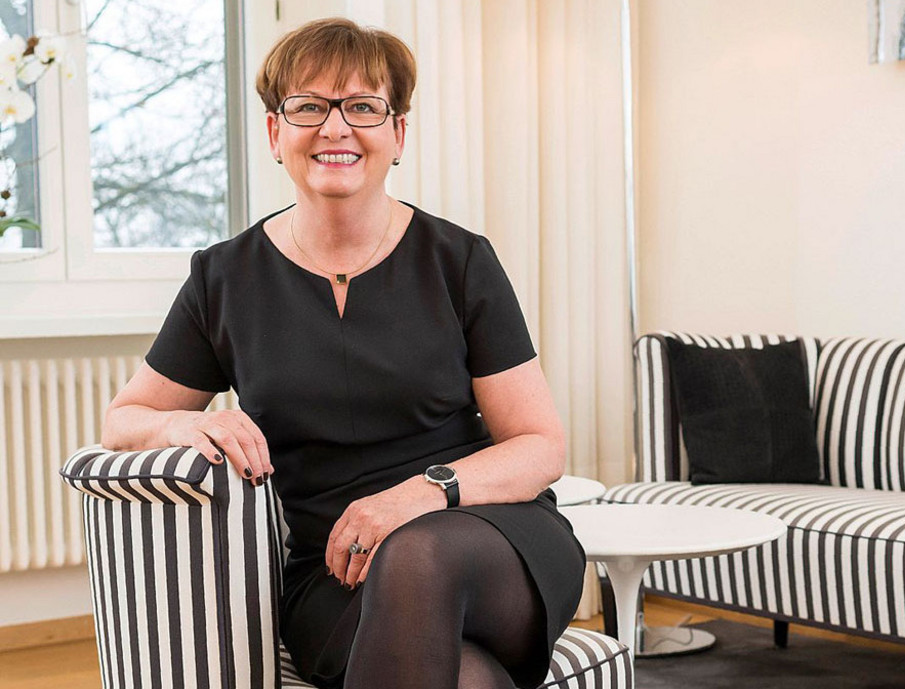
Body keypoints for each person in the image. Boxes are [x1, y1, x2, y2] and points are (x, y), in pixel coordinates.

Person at [101, 16, 586, 689]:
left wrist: (419, 495)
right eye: (308, 107)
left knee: (417, 555)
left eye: (362, 106)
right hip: (336, 570)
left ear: (398, 134)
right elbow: (123, 419)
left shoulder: (460, 261)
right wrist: (184, 423)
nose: (336, 128)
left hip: (485, 534)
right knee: (468, 679)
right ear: (275, 133)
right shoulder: (223, 278)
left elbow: (540, 445)